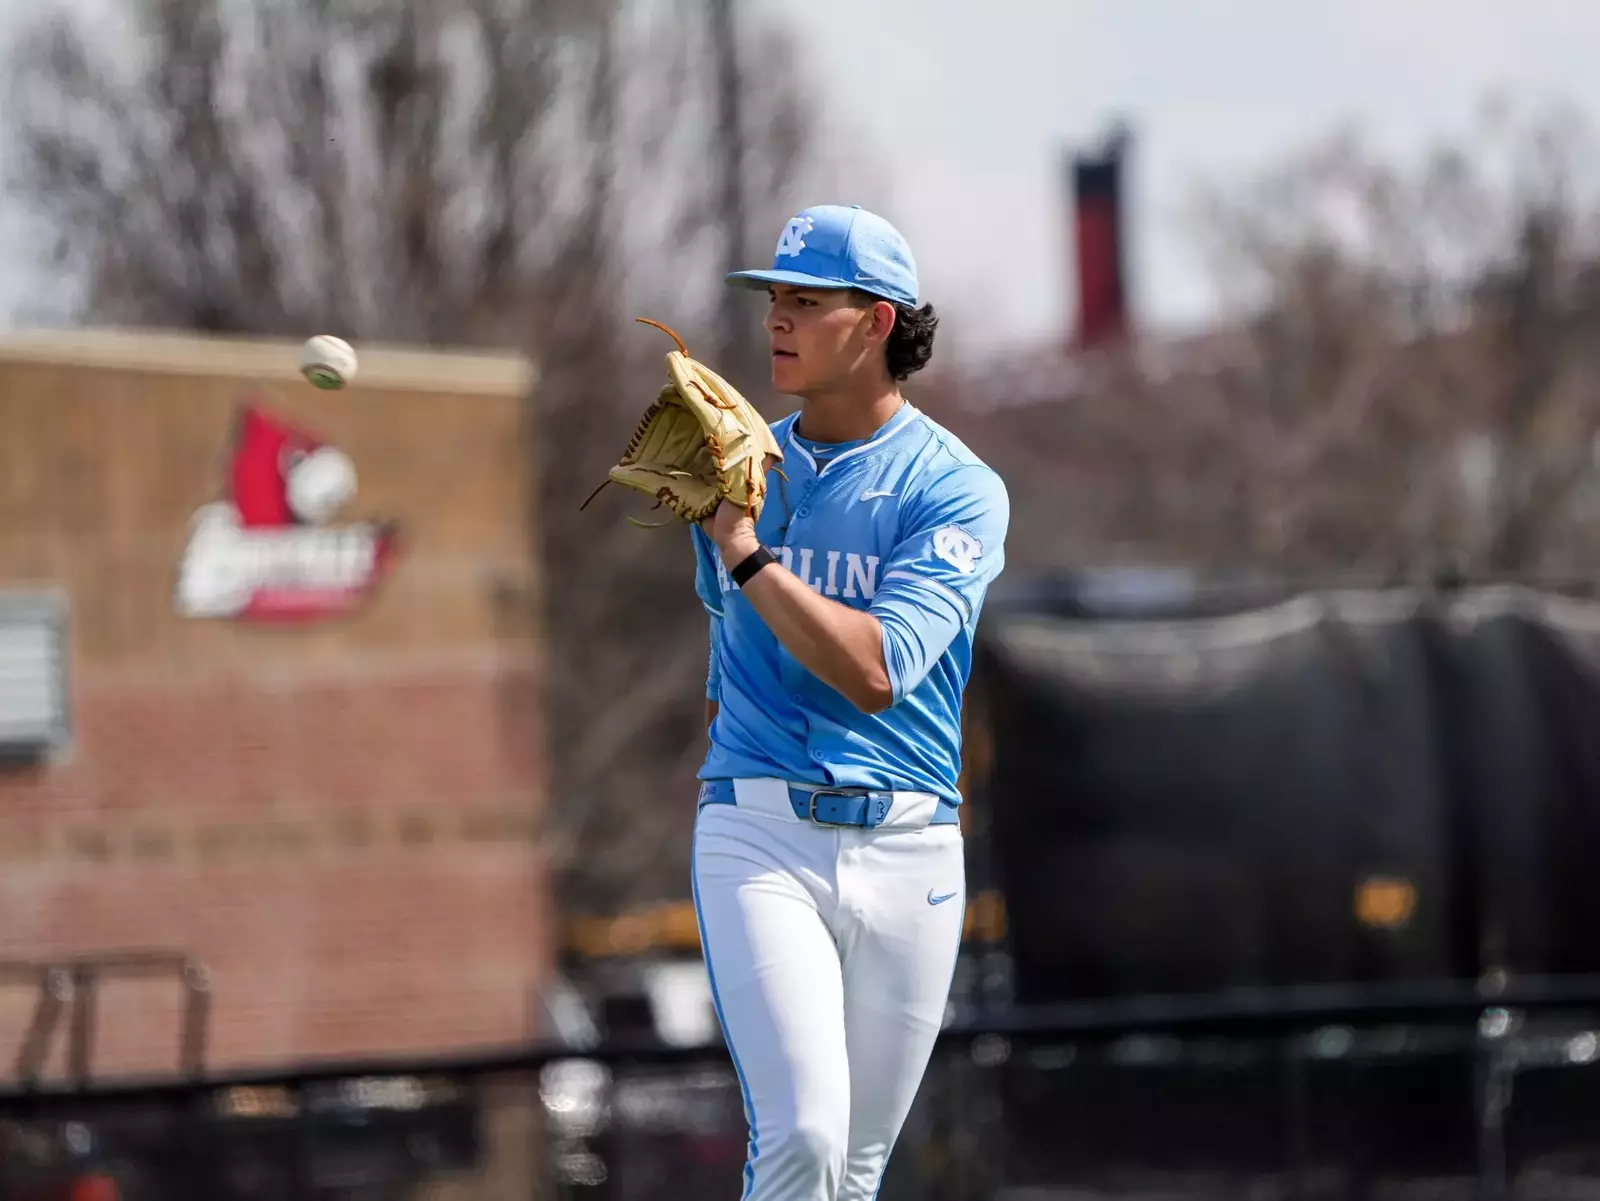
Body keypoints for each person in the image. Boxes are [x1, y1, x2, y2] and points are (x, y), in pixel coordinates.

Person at [688, 203, 1010, 1201]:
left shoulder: (955, 488)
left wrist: (745, 551)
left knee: (855, 1173)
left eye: (806, 300)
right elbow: (729, 663)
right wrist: (729, 531)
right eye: (773, 298)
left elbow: (879, 669)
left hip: (910, 844)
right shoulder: (743, 468)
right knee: (806, 1136)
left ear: (875, 322)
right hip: (763, 835)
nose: (777, 318)